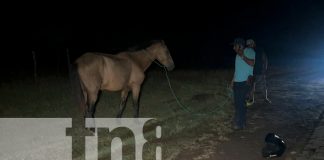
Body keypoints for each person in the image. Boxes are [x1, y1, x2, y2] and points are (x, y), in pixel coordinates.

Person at [231, 37, 255, 130]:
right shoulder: (237, 55)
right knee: (238, 104)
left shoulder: (249, 51)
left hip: (245, 82)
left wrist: (242, 55)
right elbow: (237, 70)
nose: (233, 48)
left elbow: (252, 63)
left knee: (240, 104)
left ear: (240, 46)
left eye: (235, 46)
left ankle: (239, 123)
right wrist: (232, 81)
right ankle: (242, 123)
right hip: (237, 82)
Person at [245, 39, 271, 105]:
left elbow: (265, 59)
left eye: (250, 44)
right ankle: (250, 100)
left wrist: (265, 69)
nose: (249, 46)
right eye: (248, 45)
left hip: (260, 71)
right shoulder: (247, 51)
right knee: (250, 87)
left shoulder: (260, 49)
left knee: (263, 86)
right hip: (250, 72)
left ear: (253, 44)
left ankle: (265, 98)